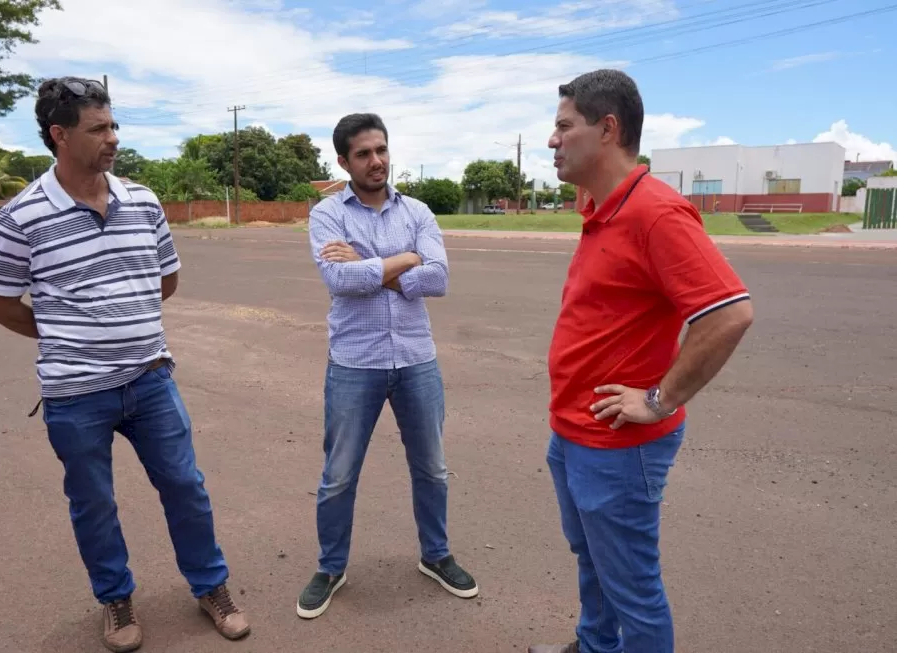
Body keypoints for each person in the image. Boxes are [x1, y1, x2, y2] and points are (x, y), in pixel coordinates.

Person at [0, 77, 250, 652]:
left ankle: (211, 587)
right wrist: (63, 333)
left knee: (185, 487)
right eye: (98, 128)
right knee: (94, 503)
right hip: (75, 395)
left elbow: (165, 279)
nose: (113, 138)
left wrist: (124, 319)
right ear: (59, 135)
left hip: (151, 379)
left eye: (114, 125)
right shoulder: (22, 216)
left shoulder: (143, 201)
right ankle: (116, 599)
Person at [528, 70, 754, 653]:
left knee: (633, 589)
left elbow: (728, 314)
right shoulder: (604, 205)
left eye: (562, 126)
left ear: (607, 129)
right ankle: (594, 645)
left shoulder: (656, 213)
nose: (552, 140)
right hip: (575, 432)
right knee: (592, 563)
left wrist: (658, 400)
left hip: (619, 449)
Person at [297, 112, 478, 619]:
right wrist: (405, 260)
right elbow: (341, 281)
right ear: (343, 161)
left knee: (433, 468)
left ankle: (435, 555)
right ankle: (331, 567)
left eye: (381, 150)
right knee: (338, 474)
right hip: (355, 362)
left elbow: (439, 279)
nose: (376, 161)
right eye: (363, 154)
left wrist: (369, 262)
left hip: (417, 358)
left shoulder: (417, 210)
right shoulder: (326, 215)